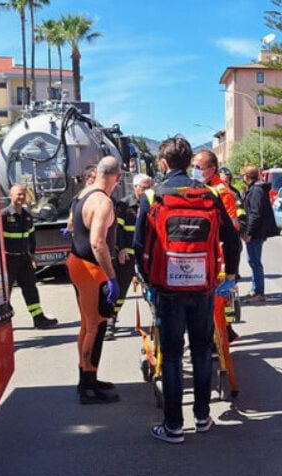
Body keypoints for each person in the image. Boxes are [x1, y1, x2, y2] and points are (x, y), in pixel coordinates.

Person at [135, 136, 241, 444]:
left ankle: (173, 426)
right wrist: (229, 276)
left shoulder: (153, 195)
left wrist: (150, 280)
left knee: (170, 356)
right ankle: (203, 417)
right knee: (201, 352)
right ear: (189, 163)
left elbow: (139, 244)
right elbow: (232, 239)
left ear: (164, 163)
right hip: (204, 288)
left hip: (167, 290)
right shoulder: (208, 193)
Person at [67, 156, 124, 404]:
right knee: (97, 325)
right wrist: (111, 277)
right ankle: (89, 386)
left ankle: (86, 375)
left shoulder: (83, 195)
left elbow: (72, 226)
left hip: (76, 263)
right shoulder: (103, 202)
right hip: (91, 269)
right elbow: (98, 243)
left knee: (86, 324)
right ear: (118, 178)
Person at [193, 150, 243, 342]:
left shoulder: (221, 192)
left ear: (212, 169)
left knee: (219, 302)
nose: (195, 171)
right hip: (209, 253)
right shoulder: (205, 187)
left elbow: (232, 226)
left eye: (199, 167)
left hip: (221, 253)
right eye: (193, 167)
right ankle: (223, 334)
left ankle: (222, 337)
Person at [104, 173, 152, 341]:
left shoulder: (153, 203)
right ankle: (110, 322)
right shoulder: (124, 206)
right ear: (135, 187)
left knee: (153, 290)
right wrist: (121, 248)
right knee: (119, 291)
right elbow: (116, 230)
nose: (147, 190)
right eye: (143, 187)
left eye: (149, 187)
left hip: (147, 256)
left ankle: (159, 322)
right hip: (128, 256)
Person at [2, 184, 58, 329]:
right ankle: (3, 322)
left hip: (24, 259)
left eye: (23, 194)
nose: (21, 197)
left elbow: (31, 237)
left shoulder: (27, 216)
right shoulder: (3, 215)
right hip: (8, 260)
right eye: (18, 194)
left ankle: (39, 319)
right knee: (5, 291)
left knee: (30, 288)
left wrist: (32, 255)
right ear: (11, 195)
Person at [240, 165, 279, 303]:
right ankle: (255, 288)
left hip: (255, 233)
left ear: (247, 176)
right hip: (256, 232)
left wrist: (249, 232)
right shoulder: (255, 189)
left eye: (243, 175)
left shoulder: (256, 190)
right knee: (253, 261)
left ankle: (259, 292)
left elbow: (255, 214)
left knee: (255, 262)